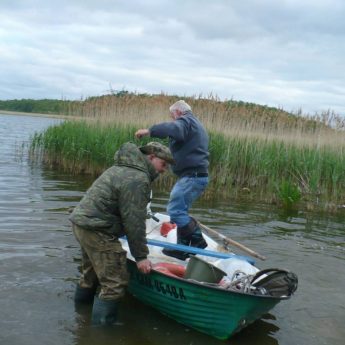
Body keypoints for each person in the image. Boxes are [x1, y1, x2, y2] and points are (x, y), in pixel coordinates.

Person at [69, 141, 174, 325]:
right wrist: (141, 257)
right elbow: (134, 222)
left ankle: (80, 318)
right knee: (114, 283)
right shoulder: (138, 178)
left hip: (82, 224)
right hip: (97, 230)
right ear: (151, 157)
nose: (164, 170)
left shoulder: (121, 167)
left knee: (90, 275)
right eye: (163, 164)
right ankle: (102, 334)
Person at [135, 100, 209, 260]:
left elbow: (173, 128)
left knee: (175, 210)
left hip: (192, 176)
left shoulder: (186, 121)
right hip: (195, 176)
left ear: (178, 112)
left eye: (172, 116)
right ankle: (180, 249)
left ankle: (198, 242)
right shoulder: (196, 125)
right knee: (180, 212)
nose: (173, 119)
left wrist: (149, 131)